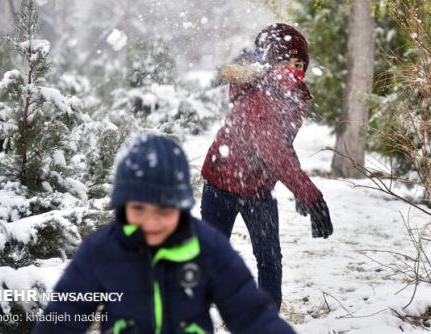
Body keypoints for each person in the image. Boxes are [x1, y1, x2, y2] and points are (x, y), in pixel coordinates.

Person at [32, 132, 296, 334]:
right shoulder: (101, 250)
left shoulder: (208, 249)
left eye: (164, 210)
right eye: (139, 208)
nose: (151, 222)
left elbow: (252, 315)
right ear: (123, 205)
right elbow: (64, 316)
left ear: (181, 206)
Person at [201, 23, 334, 309]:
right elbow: (272, 150)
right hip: (221, 185)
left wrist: (300, 190)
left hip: (258, 190)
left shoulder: (294, 97)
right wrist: (309, 195)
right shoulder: (259, 95)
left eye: (300, 63)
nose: (295, 69)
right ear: (271, 63)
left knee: (270, 258)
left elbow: (282, 146)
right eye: (287, 62)